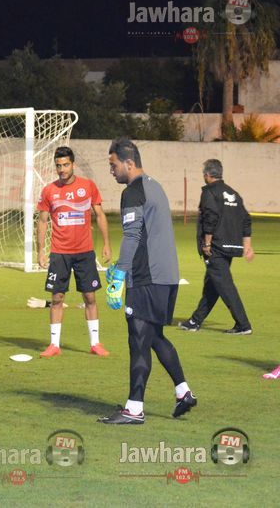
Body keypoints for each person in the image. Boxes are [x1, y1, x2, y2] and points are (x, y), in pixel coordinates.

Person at [99, 138, 196, 424]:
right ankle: (183, 392)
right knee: (154, 336)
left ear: (129, 163)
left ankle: (134, 409)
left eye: (113, 165)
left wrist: (119, 275)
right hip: (167, 276)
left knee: (139, 339)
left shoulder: (133, 192)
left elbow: (132, 236)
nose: (111, 170)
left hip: (147, 278)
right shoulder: (155, 186)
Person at [36, 146, 111, 358]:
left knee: (90, 297)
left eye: (65, 165)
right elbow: (42, 221)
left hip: (84, 252)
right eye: (58, 165)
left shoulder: (88, 186)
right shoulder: (49, 191)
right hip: (59, 253)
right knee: (57, 298)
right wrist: (40, 251)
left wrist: (106, 243)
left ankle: (95, 343)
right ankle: (54, 345)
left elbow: (100, 215)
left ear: (73, 165)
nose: (62, 169)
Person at [179, 159, 254, 335]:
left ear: (207, 174)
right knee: (213, 286)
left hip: (215, 248)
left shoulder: (209, 192)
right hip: (230, 246)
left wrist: (207, 242)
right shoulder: (233, 193)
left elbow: (210, 217)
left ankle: (243, 325)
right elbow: (246, 219)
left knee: (225, 286)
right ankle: (195, 321)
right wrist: (247, 245)